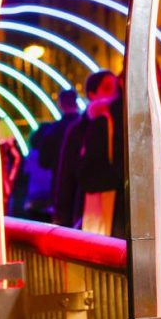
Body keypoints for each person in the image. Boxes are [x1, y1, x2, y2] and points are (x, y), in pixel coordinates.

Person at [77, 67, 161, 249]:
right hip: (121, 235)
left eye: (152, 80)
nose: (147, 88)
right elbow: (88, 180)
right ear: (123, 83)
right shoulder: (107, 123)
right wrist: (137, 165)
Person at [53, 71, 119, 228]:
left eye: (116, 88)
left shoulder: (123, 126)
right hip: (87, 211)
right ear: (92, 94)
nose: (114, 93)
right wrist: (63, 216)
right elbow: (67, 175)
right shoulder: (80, 129)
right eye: (108, 88)